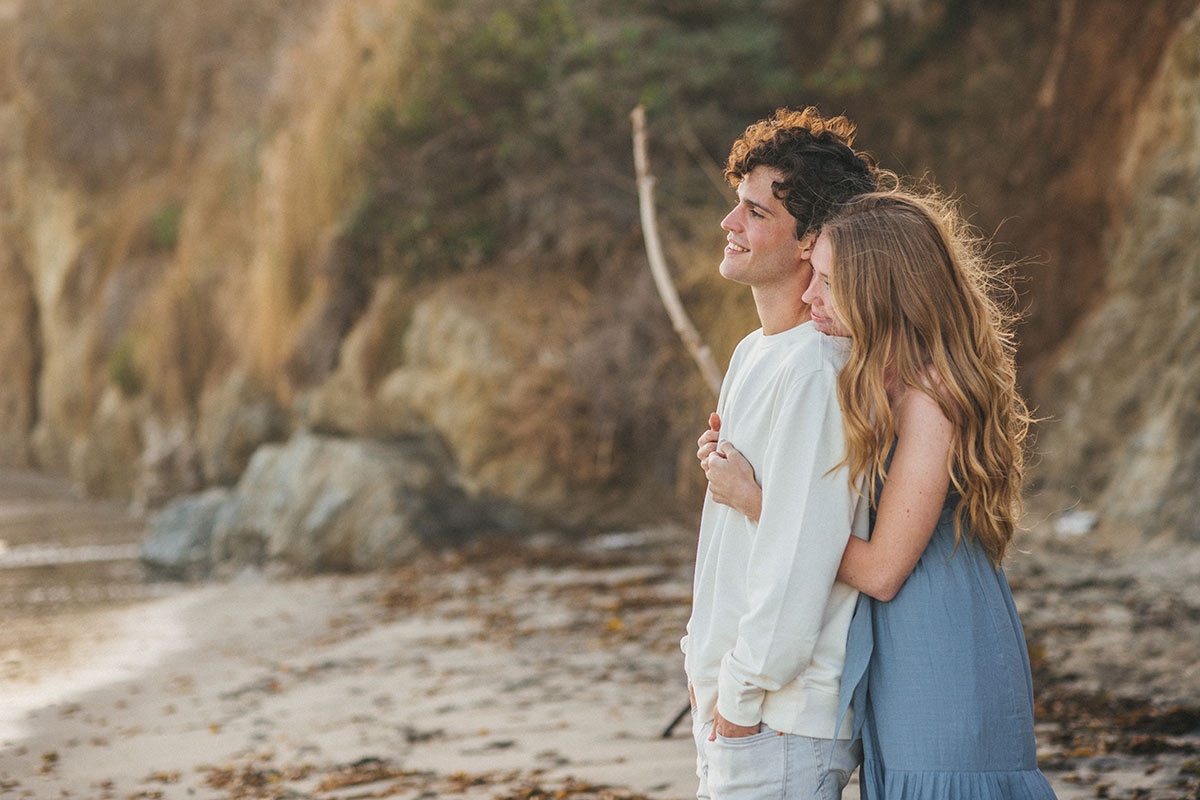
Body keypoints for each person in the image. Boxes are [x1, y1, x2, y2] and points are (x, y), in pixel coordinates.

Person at [699, 189, 1058, 798]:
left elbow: (884, 570)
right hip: (890, 636)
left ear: (881, 292)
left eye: (829, 282)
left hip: (940, 631)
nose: (810, 294)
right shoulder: (871, 375)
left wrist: (759, 501)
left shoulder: (930, 397)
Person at [681, 107, 881, 800]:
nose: (728, 224)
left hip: (778, 718)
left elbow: (801, 556)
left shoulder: (818, 370)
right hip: (740, 710)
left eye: (753, 212)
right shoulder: (754, 351)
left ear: (810, 243)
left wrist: (740, 701)